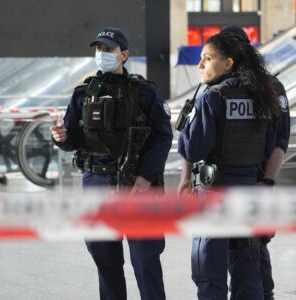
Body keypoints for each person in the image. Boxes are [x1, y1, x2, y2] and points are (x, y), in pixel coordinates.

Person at [50, 27, 172, 300]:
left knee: (145, 261)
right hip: (96, 182)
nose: (101, 54)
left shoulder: (145, 93)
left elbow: (163, 137)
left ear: (124, 55)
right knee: (105, 262)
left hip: (139, 186)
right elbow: (73, 140)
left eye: (108, 49)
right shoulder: (83, 93)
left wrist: (146, 176)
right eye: (98, 49)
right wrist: (61, 137)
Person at [177, 31, 281, 300]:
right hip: (249, 194)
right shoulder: (263, 97)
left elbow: (193, 148)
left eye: (207, 58)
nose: (200, 65)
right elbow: (270, 146)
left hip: (215, 195)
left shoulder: (213, 97)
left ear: (228, 63)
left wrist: (187, 126)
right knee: (248, 272)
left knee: (209, 271)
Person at [219, 25, 291, 300]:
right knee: (238, 252)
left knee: (252, 249)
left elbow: (279, 142)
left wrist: (267, 181)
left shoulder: (271, 87)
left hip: (255, 181)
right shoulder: (219, 88)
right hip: (227, 184)